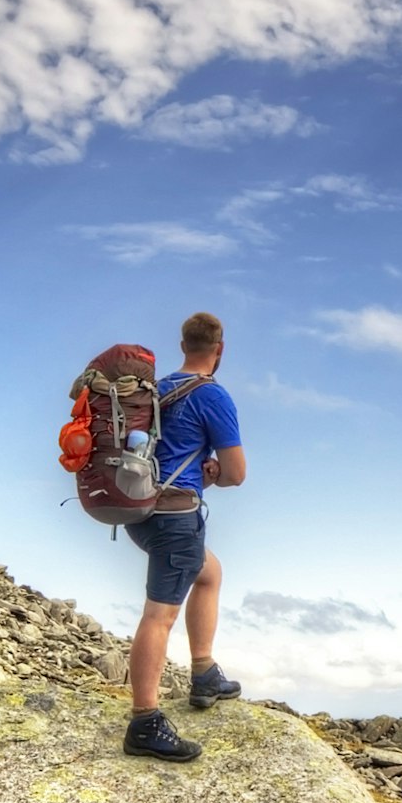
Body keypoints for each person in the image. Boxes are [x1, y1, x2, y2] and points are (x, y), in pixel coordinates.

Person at [122, 311, 244, 760]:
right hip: (176, 518)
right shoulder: (212, 396)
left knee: (208, 572)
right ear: (220, 349)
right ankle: (144, 721)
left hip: (140, 512)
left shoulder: (159, 390)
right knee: (159, 615)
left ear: (182, 346)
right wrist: (213, 473)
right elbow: (236, 473)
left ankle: (204, 670)